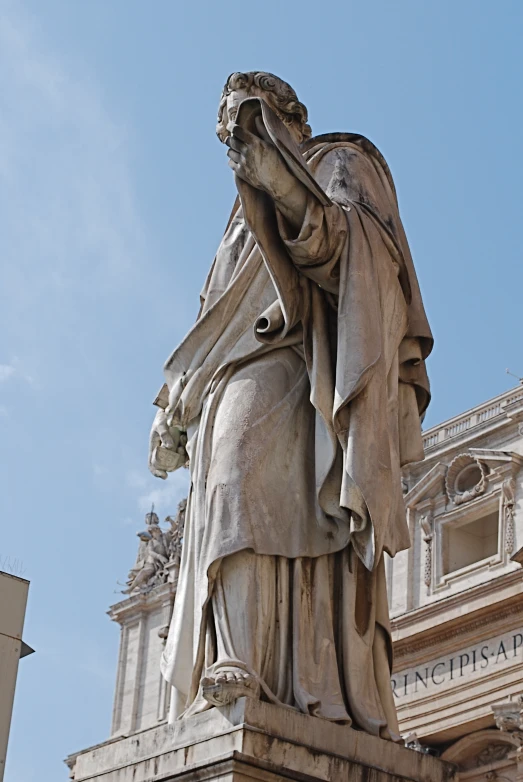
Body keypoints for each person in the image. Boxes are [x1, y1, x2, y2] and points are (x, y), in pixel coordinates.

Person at [149, 71, 432, 739]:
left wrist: (279, 180)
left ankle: (243, 660)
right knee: (222, 493)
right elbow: (210, 325)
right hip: (224, 379)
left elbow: (352, 253)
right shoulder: (229, 225)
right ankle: (235, 656)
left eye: (244, 123)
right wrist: (174, 406)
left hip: (300, 364)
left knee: (236, 485)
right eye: (225, 133)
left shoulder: (338, 159)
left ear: (285, 119)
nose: (233, 141)